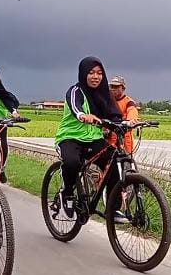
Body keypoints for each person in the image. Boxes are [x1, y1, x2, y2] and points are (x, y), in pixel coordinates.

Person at [55, 57, 122, 220]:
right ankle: (67, 194)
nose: (96, 76)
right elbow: (75, 106)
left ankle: (113, 208)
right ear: (83, 74)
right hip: (70, 137)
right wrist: (82, 115)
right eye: (91, 73)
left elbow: (115, 116)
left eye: (99, 73)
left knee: (114, 161)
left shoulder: (104, 94)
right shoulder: (75, 91)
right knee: (72, 163)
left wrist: (127, 122)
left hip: (94, 139)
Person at [107, 75, 139, 153]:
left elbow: (132, 110)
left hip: (125, 139)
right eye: (112, 87)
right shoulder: (106, 101)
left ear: (123, 88)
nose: (113, 89)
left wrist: (131, 120)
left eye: (117, 87)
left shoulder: (128, 102)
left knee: (127, 160)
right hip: (109, 138)